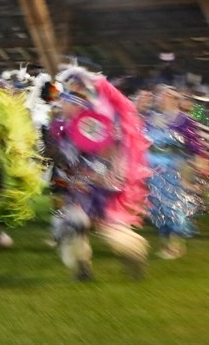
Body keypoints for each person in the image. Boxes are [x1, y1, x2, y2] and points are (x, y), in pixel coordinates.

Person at [49, 67, 150, 281]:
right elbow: (68, 156)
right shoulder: (66, 125)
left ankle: (134, 251)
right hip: (79, 183)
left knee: (92, 225)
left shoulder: (90, 124)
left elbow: (109, 151)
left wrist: (98, 174)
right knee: (74, 224)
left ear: (76, 104)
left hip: (97, 184)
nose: (61, 105)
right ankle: (82, 267)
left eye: (65, 101)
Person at [145, 86, 203, 259]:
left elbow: (195, 146)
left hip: (175, 170)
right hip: (155, 171)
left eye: (161, 96)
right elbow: (143, 141)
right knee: (158, 208)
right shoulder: (152, 119)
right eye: (157, 97)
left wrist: (196, 168)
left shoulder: (184, 120)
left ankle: (174, 246)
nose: (158, 99)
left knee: (173, 206)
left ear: (171, 97)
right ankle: (167, 244)